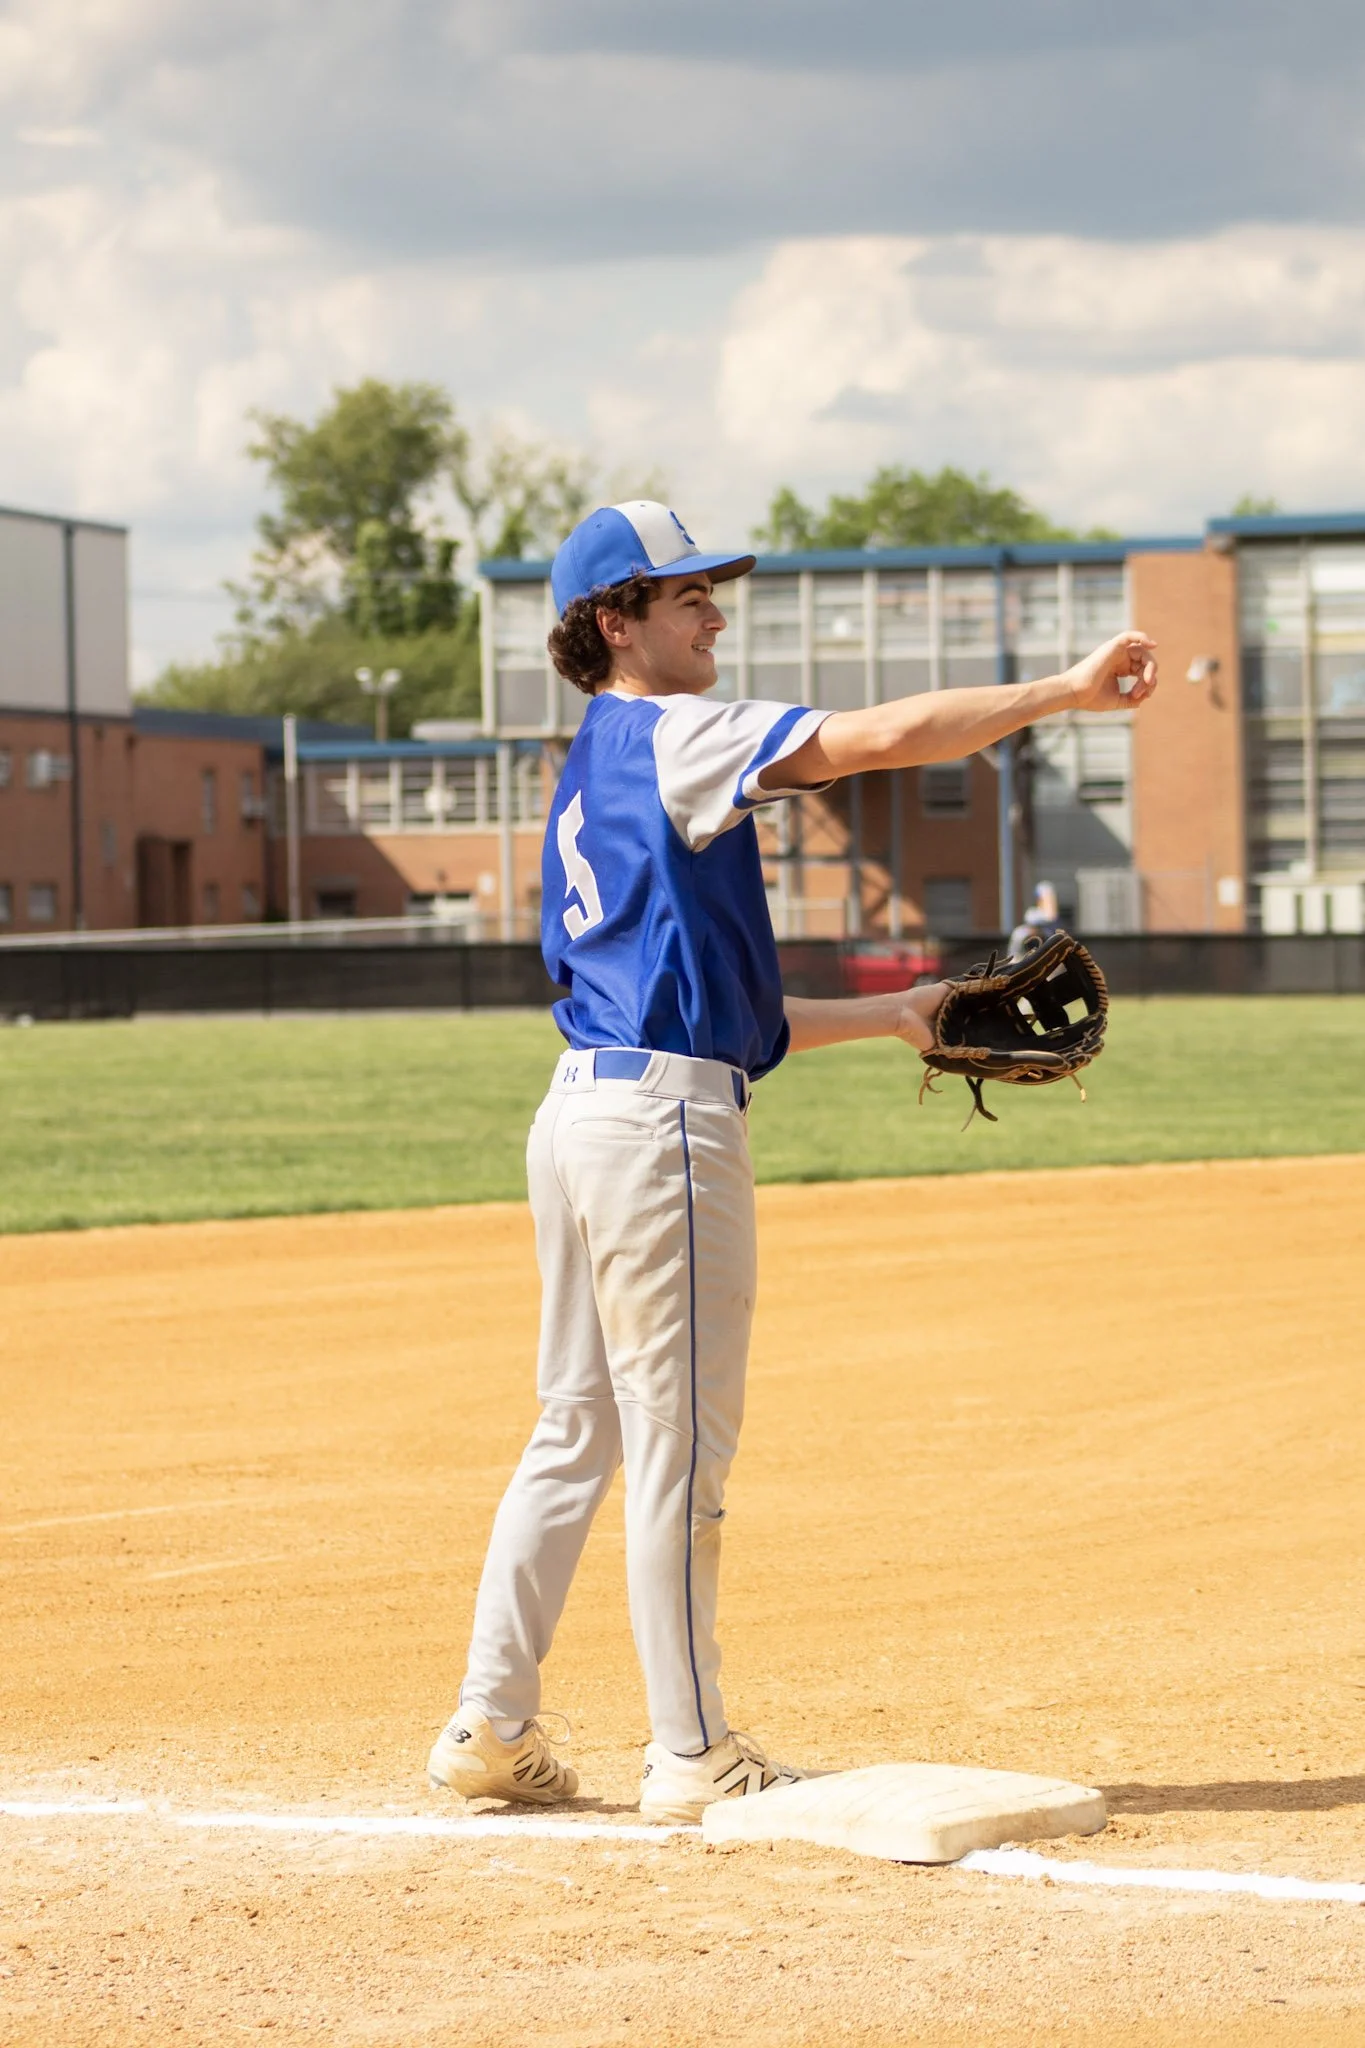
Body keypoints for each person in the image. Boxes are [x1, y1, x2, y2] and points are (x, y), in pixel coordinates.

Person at [427, 500, 1157, 1822]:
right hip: (661, 1137)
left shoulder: (596, 763)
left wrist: (892, 1013)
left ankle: (490, 1717)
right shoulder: (679, 732)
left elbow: (728, 1019)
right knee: (677, 1448)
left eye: (713, 588)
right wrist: (1064, 690)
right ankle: (693, 1749)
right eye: (684, 592)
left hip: (585, 1114)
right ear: (615, 622)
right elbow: (880, 739)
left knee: (575, 1430)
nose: (714, 610)